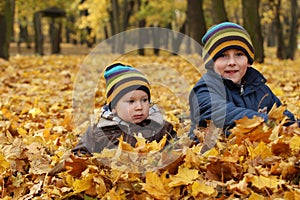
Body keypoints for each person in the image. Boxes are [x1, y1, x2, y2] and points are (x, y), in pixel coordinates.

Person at [189, 22, 298, 139]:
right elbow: (226, 115)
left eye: (239, 54)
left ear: (248, 61)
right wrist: (271, 123)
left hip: (257, 152)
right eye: (223, 55)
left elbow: (283, 114)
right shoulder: (204, 90)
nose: (232, 62)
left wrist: (293, 125)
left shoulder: (260, 89)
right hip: (215, 154)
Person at [72, 62, 177, 155]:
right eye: (131, 101)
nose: (139, 107)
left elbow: (177, 151)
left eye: (144, 100)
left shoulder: (161, 128)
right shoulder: (98, 131)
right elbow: (79, 155)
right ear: (114, 107)